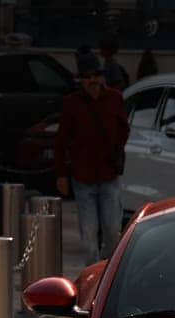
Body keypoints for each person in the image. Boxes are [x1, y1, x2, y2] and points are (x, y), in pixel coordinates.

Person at [54, 51, 129, 266]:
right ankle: (94, 277)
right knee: (88, 238)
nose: (92, 80)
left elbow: (124, 129)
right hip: (83, 178)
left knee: (112, 234)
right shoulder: (72, 103)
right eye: (87, 77)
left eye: (96, 75)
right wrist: (61, 175)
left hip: (109, 175)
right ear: (81, 80)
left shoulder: (114, 98)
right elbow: (61, 142)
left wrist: (116, 151)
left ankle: (110, 278)